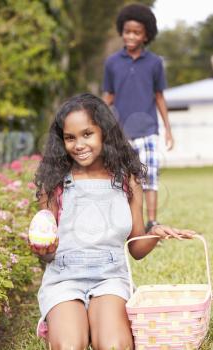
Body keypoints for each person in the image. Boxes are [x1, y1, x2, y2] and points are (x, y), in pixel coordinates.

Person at [31, 93, 193, 350]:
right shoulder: (55, 183)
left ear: (104, 132)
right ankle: (75, 323)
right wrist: (44, 250)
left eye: (87, 134)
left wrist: (156, 232)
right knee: (70, 345)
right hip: (64, 279)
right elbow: (46, 251)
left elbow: (136, 249)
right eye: (70, 138)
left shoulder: (127, 180)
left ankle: (97, 323)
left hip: (110, 278)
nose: (78, 144)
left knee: (114, 345)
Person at [102, 3, 174, 233]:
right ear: (121, 31)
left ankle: (152, 222)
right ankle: (132, 224)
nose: (131, 36)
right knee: (125, 180)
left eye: (137, 32)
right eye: (127, 31)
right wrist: (95, 120)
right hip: (121, 133)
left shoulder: (155, 63)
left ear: (146, 35)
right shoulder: (112, 63)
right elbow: (109, 96)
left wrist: (168, 130)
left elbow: (159, 97)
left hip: (149, 130)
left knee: (150, 177)